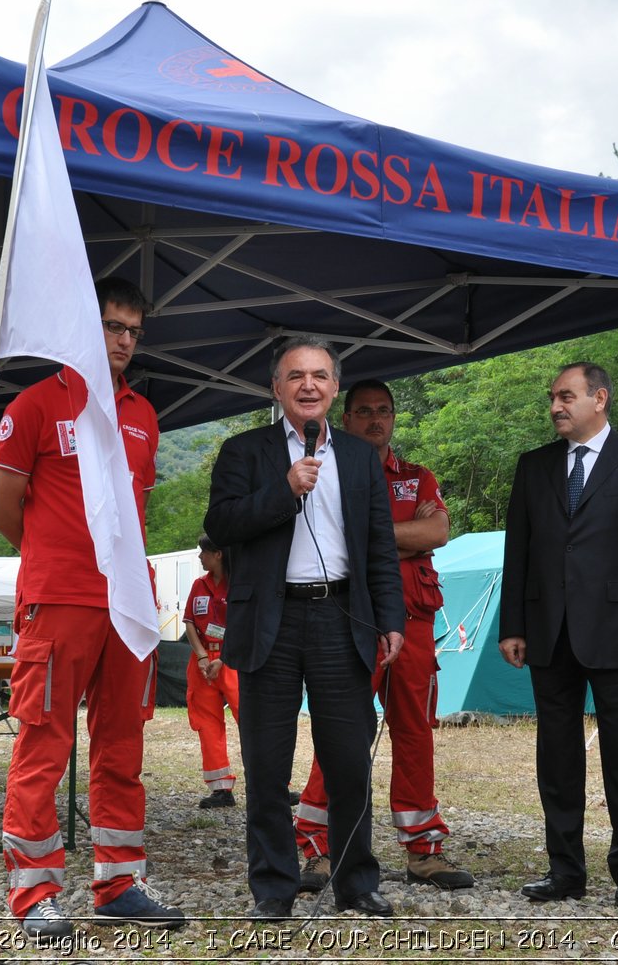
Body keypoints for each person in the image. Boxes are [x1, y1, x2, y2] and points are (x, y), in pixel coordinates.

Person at [0, 278, 185, 937]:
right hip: (59, 599)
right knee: (45, 743)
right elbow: (1, 508)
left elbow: (139, 512)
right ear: (81, 325)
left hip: (125, 606)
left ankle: (119, 881)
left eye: (133, 330)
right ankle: (33, 892)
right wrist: (53, 557)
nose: (123, 340)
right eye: (111, 326)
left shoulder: (144, 416)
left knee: (122, 743)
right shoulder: (37, 404)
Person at [204, 336, 406, 920]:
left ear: (334, 388)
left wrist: (390, 617)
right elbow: (221, 523)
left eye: (320, 376)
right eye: (296, 377)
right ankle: (273, 887)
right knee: (267, 763)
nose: (309, 386)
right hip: (271, 618)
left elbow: (379, 548)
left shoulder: (361, 456)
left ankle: (356, 882)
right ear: (277, 389)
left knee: (348, 759)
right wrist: (284, 489)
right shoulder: (244, 451)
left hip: (341, 615)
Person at [497, 362, 618, 912]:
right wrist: (513, 625)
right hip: (549, 631)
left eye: (567, 396)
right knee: (557, 756)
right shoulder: (534, 466)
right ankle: (565, 871)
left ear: (600, 399)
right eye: (553, 397)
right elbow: (519, 549)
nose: (556, 405)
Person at [292, 380, 474, 893]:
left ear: (394, 418)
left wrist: (366, 533)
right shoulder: (327, 473)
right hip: (350, 621)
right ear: (345, 418)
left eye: (385, 412)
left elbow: (436, 533)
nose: (376, 420)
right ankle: (317, 848)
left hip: (414, 625)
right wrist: (399, 535)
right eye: (364, 411)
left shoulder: (416, 478)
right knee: (340, 734)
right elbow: (328, 540)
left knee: (415, 733)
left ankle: (423, 852)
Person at [183, 532, 240, 809]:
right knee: (207, 723)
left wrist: (224, 657)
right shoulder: (199, 585)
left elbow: (245, 624)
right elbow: (190, 623)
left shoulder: (239, 583)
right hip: (203, 663)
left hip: (233, 660)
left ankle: (275, 785)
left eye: (203, 552)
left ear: (218, 554)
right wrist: (203, 656)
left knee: (253, 722)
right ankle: (221, 789)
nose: (199, 557)